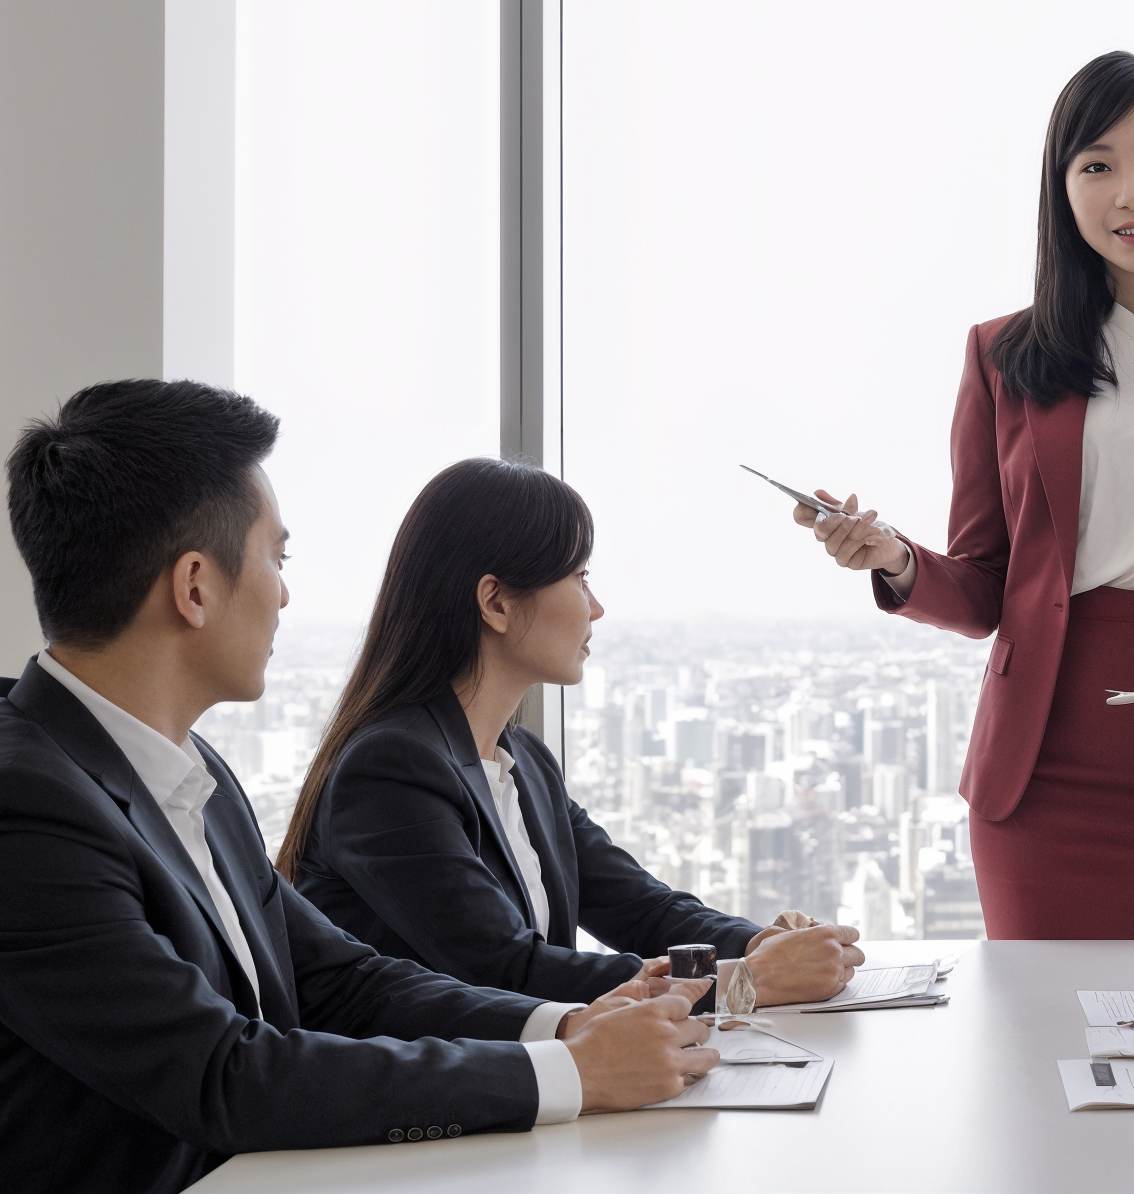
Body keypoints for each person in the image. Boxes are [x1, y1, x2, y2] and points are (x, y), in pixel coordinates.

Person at [0, 381, 718, 1194]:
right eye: (278, 556)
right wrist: (569, 1075)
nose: (284, 590)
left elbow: (342, 979)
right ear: (195, 587)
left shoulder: (188, 773)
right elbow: (222, 1074)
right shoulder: (27, 805)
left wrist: (569, 1026)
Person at [793, 51, 1134, 938]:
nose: (1131, 191)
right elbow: (984, 586)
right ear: (1063, 190)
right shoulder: (1001, 357)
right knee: (1035, 1043)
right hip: (1041, 767)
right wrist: (896, 560)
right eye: (1097, 166)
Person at [279, 457, 863, 1006]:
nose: (597, 608)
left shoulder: (522, 761)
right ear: (496, 602)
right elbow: (506, 971)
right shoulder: (389, 769)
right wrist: (746, 981)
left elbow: (642, 910)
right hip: (445, 1105)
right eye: (580, 578)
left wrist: (760, 946)